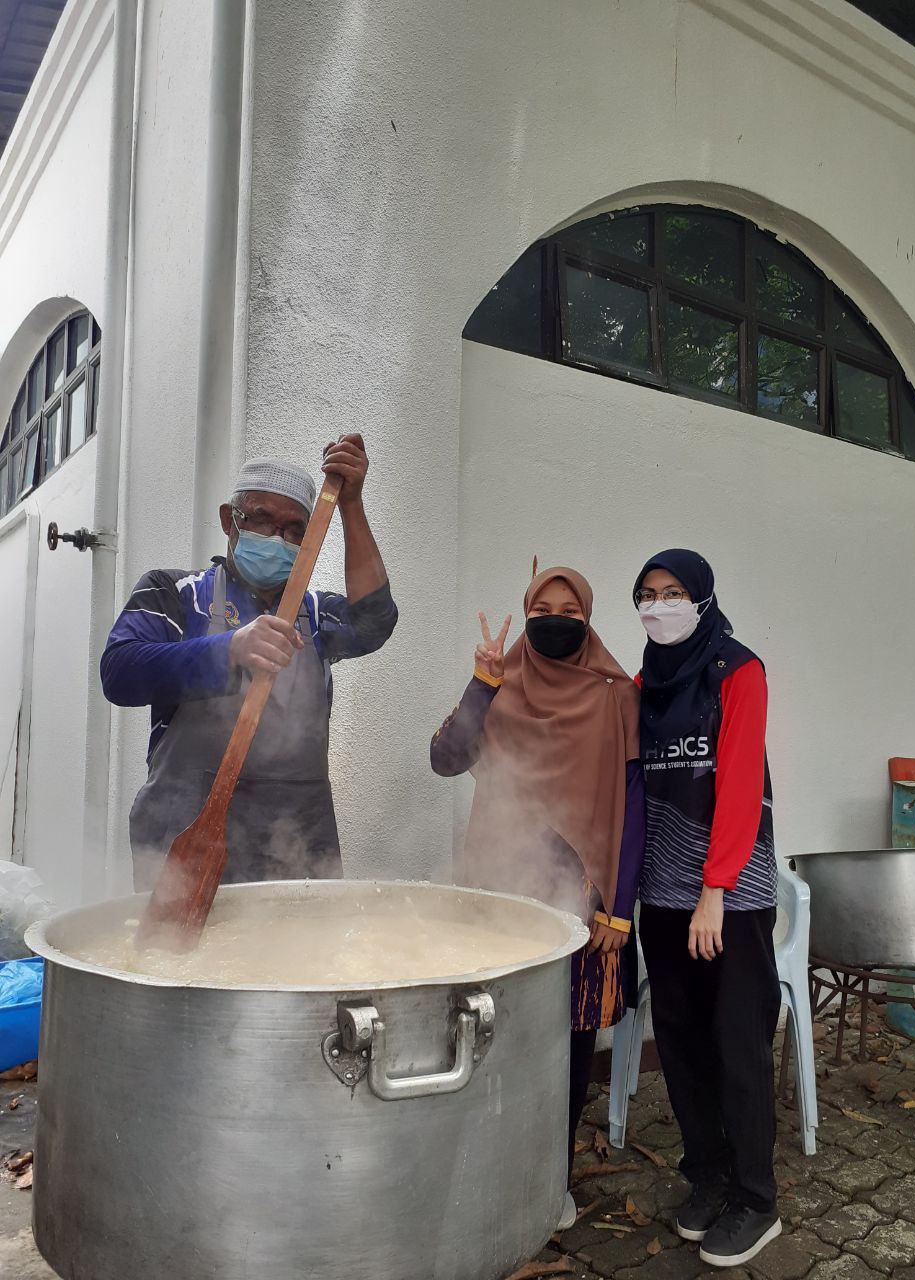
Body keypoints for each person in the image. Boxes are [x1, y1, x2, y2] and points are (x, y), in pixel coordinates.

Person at [430, 567, 644, 1232]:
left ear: (588, 617)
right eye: (543, 608)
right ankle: (487, 1166)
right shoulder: (501, 687)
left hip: (582, 895)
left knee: (573, 1038)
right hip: (500, 883)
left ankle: (551, 1179)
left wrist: (619, 908)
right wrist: (481, 683)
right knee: (493, 1029)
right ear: (526, 614)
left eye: (570, 608)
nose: (556, 618)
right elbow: (445, 758)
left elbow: (636, 804)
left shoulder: (615, 695)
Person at [101, 434, 397, 888]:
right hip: (184, 837)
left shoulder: (315, 615)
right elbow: (119, 673)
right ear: (229, 520)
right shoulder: (174, 592)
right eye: (261, 520)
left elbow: (375, 621)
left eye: (294, 531)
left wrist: (352, 505)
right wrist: (228, 650)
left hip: (297, 843)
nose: (278, 539)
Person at [631, 548, 780, 1269]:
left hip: (730, 897)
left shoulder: (737, 669)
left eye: (675, 593)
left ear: (704, 598)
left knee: (736, 1043)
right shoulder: (643, 684)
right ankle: (708, 1176)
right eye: (648, 594)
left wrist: (715, 889)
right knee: (682, 1043)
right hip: (662, 895)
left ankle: (756, 1199)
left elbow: (742, 776)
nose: (660, 606)